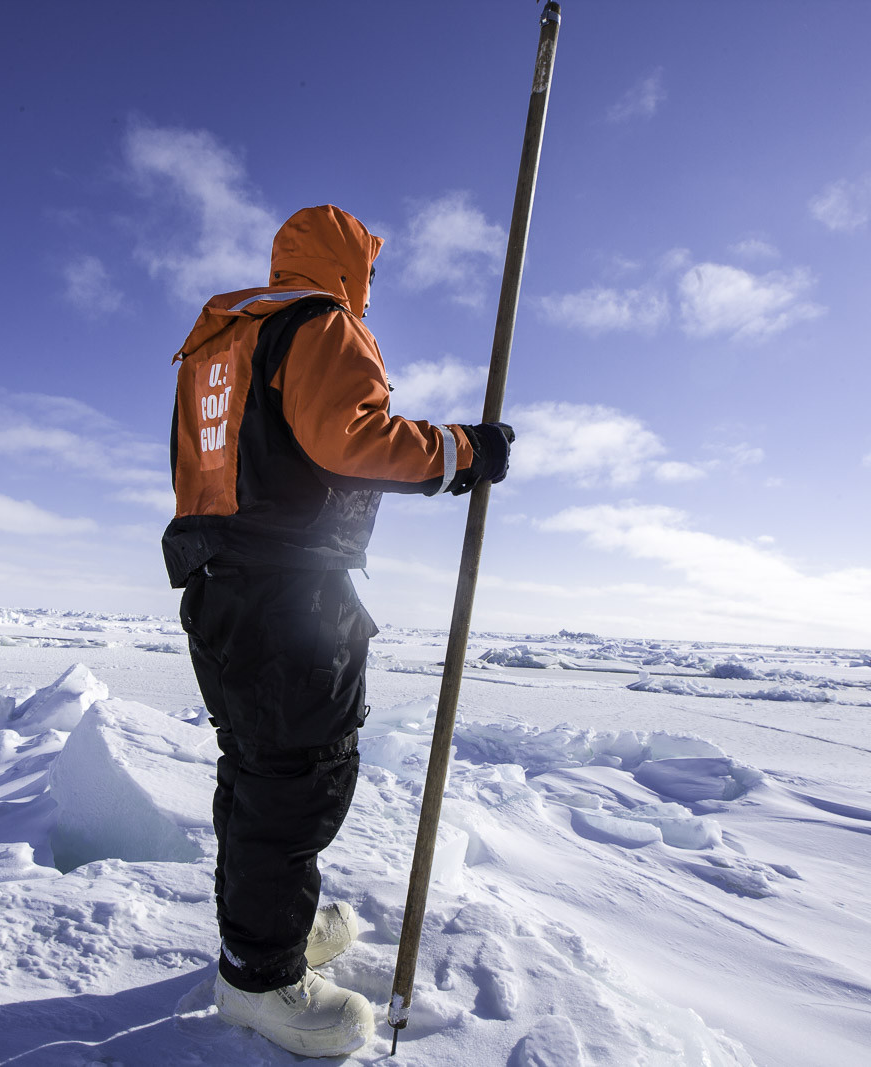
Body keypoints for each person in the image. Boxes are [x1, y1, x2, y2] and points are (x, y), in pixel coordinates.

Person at [162, 204, 513, 1057]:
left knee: (255, 766)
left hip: (219, 586)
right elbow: (349, 441)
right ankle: (261, 978)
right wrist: (463, 452)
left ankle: (260, 933)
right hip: (291, 595)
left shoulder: (222, 340)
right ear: (348, 268)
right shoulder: (320, 323)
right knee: (298, 775)